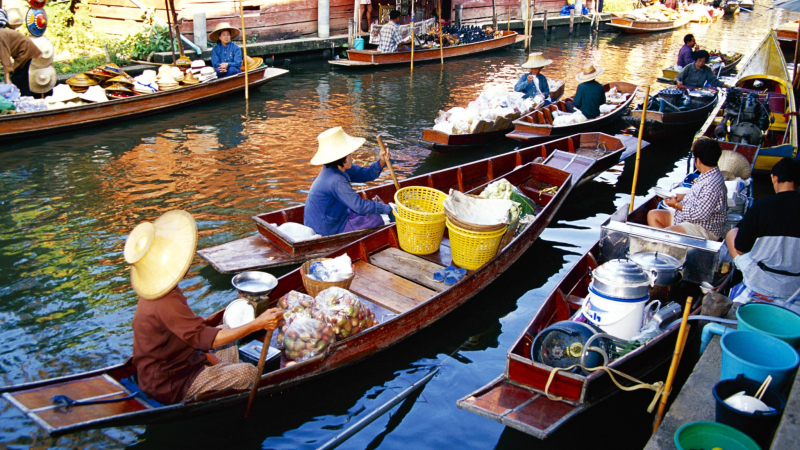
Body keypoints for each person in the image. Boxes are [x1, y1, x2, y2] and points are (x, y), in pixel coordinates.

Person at [127, 210, 283, 405]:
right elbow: (202, 339)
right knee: (248, 373)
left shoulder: (163, 292)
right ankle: (227, 379)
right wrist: (257, 324)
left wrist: (210, 358)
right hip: (173, 384)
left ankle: (223, 374)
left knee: (226, 330)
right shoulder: (165, 302)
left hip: (183, 362)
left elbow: (191, 336)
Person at [726, 158, 800, 306]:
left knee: (731, 233)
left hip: (761, 281)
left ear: (774, 178)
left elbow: (740, 249)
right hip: (795, 286)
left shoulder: (761, 207)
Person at [304, 127, 394, 237]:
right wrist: (387, 208)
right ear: (341, 158)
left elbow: (365, 174)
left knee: (371, 211)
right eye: (350, 154)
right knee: (375, 219)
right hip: (328, 228)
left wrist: (381, 162)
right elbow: (359, 206)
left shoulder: (340, 168)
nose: (352, 157)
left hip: (335, 215)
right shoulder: (336, 180)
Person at [647, 138, 728, 241]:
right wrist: (684, 196)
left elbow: (700, 214)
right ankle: (670, 245)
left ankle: (668, 244)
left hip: (703, 227)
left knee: (665, 235)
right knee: (653, 215)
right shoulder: (709, 174)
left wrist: (676, 205)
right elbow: (703, 197)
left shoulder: (712, 184)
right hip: (690, 219)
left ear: (698, 160)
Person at [0, 10, 42, 97]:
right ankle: (25, 96)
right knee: (20, 77)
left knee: (17, 79)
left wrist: (7, 79)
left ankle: (24, 99)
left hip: (25, 49)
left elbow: (5, 58)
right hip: (24, 48)